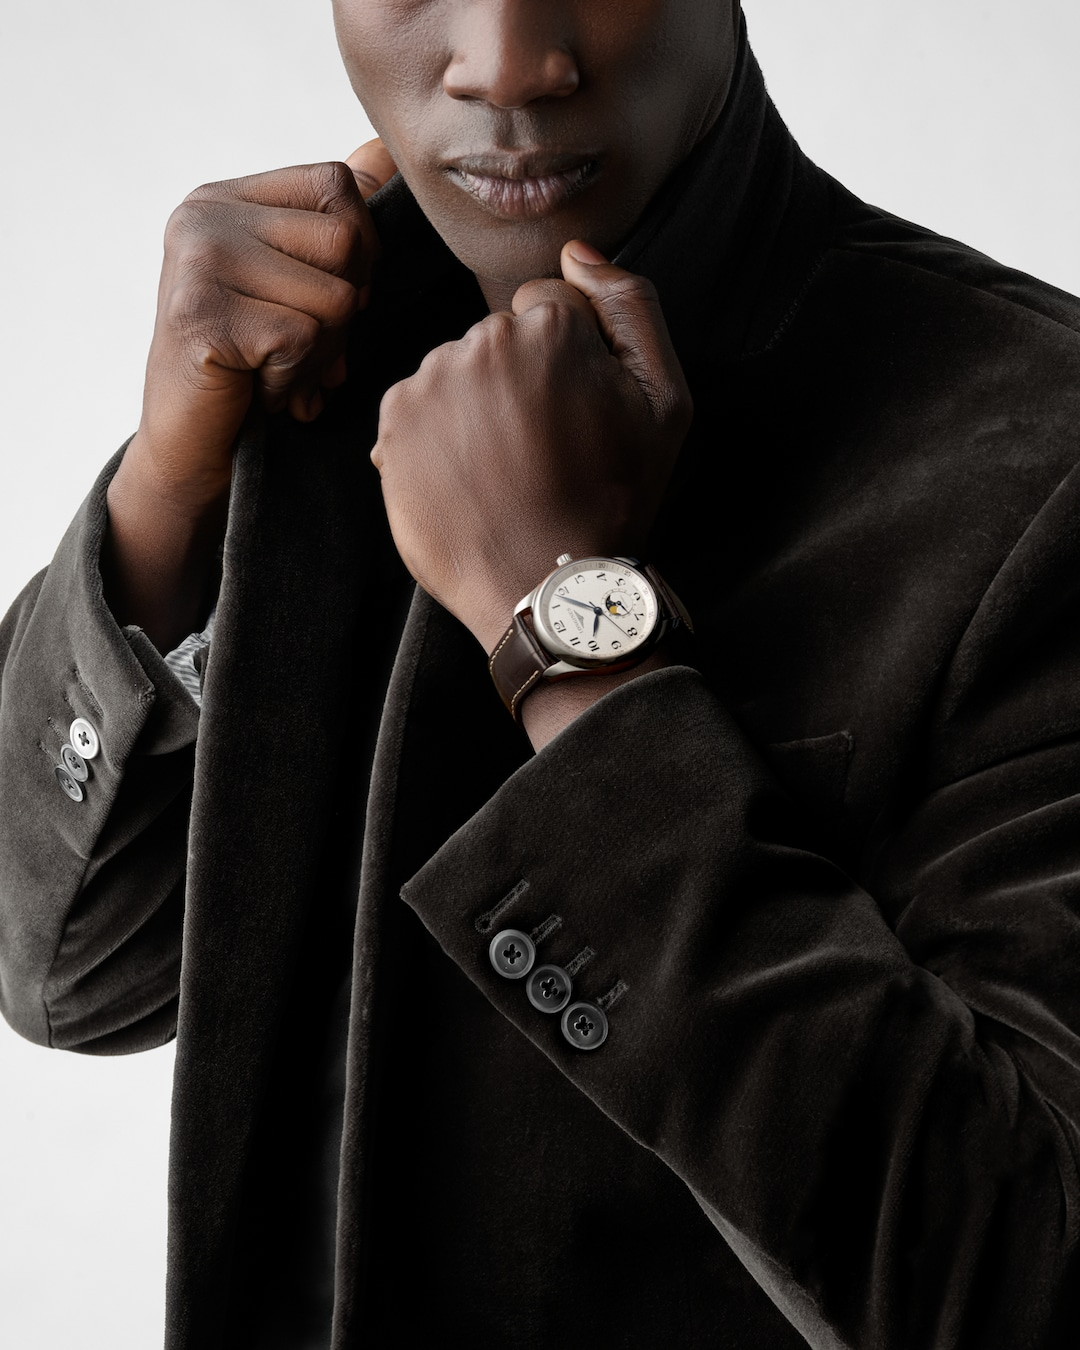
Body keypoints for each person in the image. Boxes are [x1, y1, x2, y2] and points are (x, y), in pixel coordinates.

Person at [3, 1, 1080, 1346]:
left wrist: (562, 632)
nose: (505, 64)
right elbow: (62, 975)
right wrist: (166, 495)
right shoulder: (308, 371)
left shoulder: (1040, 459)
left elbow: (1018, 1288)